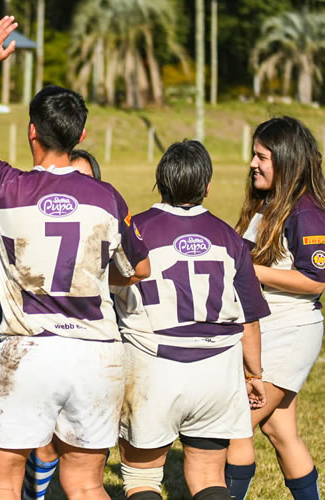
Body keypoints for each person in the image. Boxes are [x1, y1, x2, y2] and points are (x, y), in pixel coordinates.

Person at [0, 17, 150, 500]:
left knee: (0, 482)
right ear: (81, 134)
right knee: (84, 484)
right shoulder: (107, 197)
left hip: (28, 350)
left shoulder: (8, 185)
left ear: (32, 132)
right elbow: (138, 269)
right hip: (96, 353)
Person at [114, 140, 269, 500]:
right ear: (208, 186)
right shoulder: (230, 238)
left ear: (160, 181)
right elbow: (249, 319)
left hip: (154, 363)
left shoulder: (135, 228)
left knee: (143, 479)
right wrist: (254, 374)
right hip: (217, 369)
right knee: (208, 476)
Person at [226, 116, 325, 500]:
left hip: (291, 331)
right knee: (280, 431)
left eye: (261, 156)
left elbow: (316, 279)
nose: (253, 163)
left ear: (285, 159)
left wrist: (253, 270)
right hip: (270, 329)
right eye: (254, 155)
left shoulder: (307, 211)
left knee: (235, 425)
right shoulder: (269, 204)